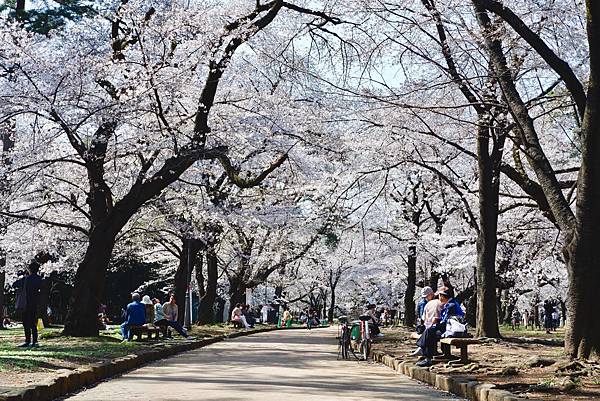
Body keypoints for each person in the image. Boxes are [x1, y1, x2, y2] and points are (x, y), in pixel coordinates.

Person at [415, 288, 463, 367]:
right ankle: (423, 350)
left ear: (443, 296)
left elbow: (447, 322)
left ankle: (427, 356)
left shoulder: (451, 305)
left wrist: (436, 323)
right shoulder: (450, 303)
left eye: (439, 295)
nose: (438, 297)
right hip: (450, 328)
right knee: (430, 330)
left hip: (454, 330)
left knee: (430, 331)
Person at [12, 263, 43, 347]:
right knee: (33, 322)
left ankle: (27, 340)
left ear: (29, 269)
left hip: (26, 303)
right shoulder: (39, 279)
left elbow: (14, 284)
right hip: (35, 303)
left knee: (26, 322)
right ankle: (35, 341)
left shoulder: (26, 279)